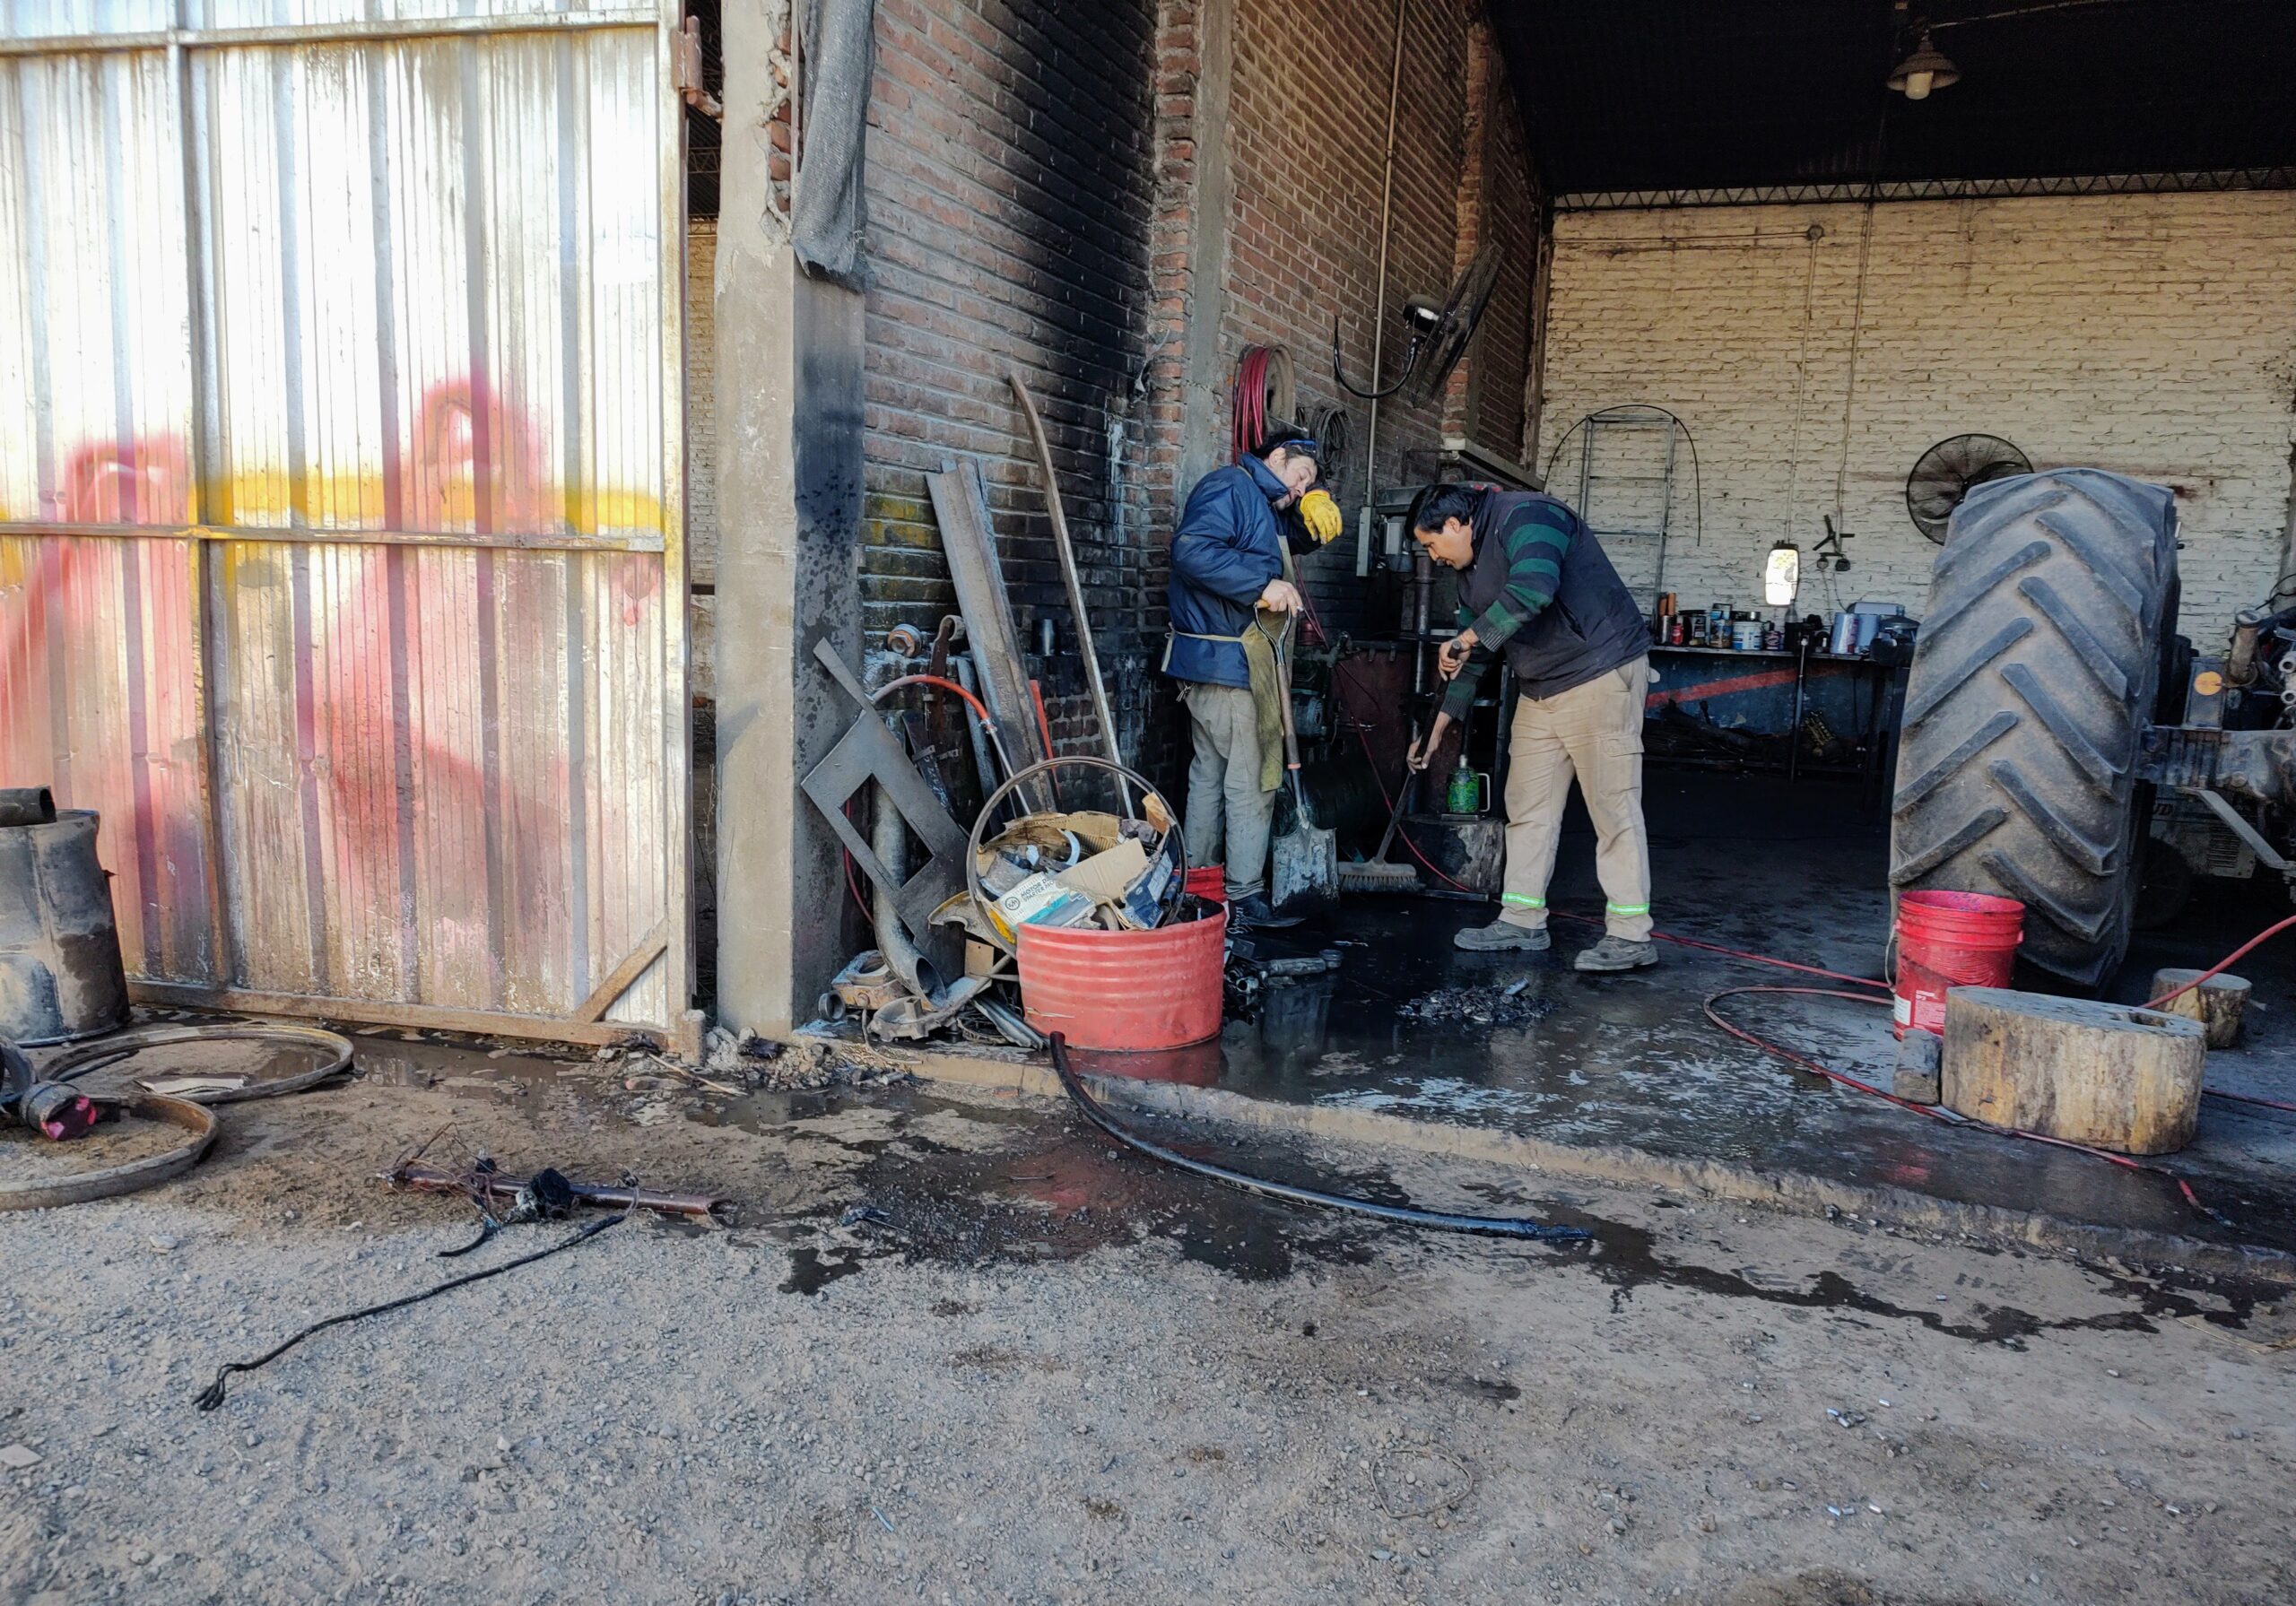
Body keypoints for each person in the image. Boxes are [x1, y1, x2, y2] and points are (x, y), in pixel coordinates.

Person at [1404, 482, 1657, 971]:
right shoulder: (1468, 571)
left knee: (1613, 808)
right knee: (1527, 807)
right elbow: (1473, 657)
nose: (1433, 557)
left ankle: (1631, 935)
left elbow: (1534, 588)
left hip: (1599, 672)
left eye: (1432, 544)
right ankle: (1522, 919)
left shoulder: (1529, 515)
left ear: (1455, 524)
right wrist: (1435, 731)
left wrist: (1467, 638)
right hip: (1540, 686)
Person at [1163, 430, 1340, 930]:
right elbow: (1191, 551)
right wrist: (1261, 584)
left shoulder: (1266, 504)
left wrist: (1316, 498)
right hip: (1231, 665)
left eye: (1307, 485)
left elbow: (1294, 539)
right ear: (1276, 457)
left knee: (1210, 776)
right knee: (1253, 780)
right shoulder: (1231, 487)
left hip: (1216, 666)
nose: (1300, 489)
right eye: (1300, 476)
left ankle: (1199, 887)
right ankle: (1243, 896)